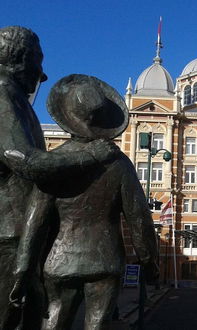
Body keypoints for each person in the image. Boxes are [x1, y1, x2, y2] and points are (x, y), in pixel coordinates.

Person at [12, 74, 159, 330]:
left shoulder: (55, 162)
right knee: (97, 324)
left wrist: (23, 269)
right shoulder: (119, 164)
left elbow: (35, 221)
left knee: (54, 319)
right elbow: (139, 219)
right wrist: (149, 262)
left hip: (59, 260)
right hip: (105, 261)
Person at [0, 26, 117, 330]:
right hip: (9, 235)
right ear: (21, 58)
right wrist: (90, 156)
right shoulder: (1, 91)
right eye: (38, 61)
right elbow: (24, 160)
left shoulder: (14, 97)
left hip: (22, 236)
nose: (42, 74)